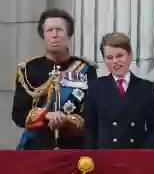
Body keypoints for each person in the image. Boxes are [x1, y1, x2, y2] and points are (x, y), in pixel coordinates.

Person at [12, 8, 98, 150]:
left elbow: (93, 113)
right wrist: (46, 115)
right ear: (43, 35)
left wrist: (68, 120)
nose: (54, 35)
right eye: (49, 30)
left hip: (75, 149)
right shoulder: (28, 70)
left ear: (69, 35)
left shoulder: (86, 69)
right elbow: (19, 114)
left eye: (59, 30)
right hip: (37, 148)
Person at [84, 32, 154, 149]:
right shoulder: (96, 87)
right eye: (110, 58)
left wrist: (144, 155)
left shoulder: (146, 88)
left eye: (120, 56)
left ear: (130, 56)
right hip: (106, 157)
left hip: (135, 157)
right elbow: (90, 129)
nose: (115, 61)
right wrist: (92, 158)